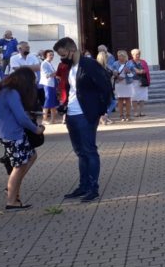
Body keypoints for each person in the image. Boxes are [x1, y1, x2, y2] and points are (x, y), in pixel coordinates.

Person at [53, 37, 114, 202]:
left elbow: (105, 86)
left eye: (63, 53)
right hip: (71, 114)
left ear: (72, 50)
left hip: (86, 114)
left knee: (89, 150)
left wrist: (100, 110)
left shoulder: (89, 65)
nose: (62, 57)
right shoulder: (70, 66)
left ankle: (93, 188)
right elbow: (71, 89)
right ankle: (83, 185)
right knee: (80, 152)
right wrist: (64, 105)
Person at [0, 67, 45, 210]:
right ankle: (11, 200)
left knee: (31, 156)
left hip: (4, 131)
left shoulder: (4, 89)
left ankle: (12, 187)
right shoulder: (12, 92)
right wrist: (36, 129)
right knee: (19, 165)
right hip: (12, 133)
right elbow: (21, 118)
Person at [113, 50, 138, 122]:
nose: (119, 57)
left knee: (127, 99)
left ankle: (128, 115)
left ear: (124, 56)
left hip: (127, 83)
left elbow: (134, 74)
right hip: (119, 83)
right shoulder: (115, 63)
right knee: (120, 100)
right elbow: (112, 72)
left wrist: (129, 72)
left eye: (121, 56)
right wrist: (117, 76)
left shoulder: (129, 64)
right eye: (118, 56)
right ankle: (121, 116)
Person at [40, 50, 59, 124]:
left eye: (52, 55)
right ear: (46, 56)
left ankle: (53, 119)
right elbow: (47, 75)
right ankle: (44, 119)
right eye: (50, 55)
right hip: (48, 84)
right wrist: (56, 72)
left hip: (52, 84)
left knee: (53, 101)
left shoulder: (49, 63)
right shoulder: (44, 63)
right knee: (48, 101)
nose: (51, 56)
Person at [130, 48, 151, 117]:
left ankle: (141, 111)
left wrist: (140, 71)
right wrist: (140, 71)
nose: (137, 56)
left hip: (142, 81)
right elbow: (135, 71)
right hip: (134, 81)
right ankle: (135, 112)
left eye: (138, 54)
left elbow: (146, 70)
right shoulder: (130, 62)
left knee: (142, 97)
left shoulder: (143, 62)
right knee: (134, 97)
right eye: (135, 54)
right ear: (132, 55)